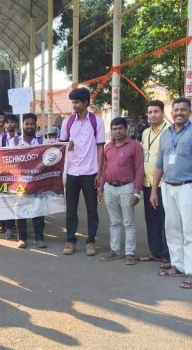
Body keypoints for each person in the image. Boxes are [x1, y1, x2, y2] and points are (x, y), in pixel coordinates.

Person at [150, 96, 192, 289]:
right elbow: (159, 164)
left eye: (183, 110)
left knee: (190, 231)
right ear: (171, 112)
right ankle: (178, 265)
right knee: (172, 228)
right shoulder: (166, 134)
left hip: (189, 188)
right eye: (176, 110)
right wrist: (154, 190)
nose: (179, 113)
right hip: (168, 188)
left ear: (189, 112)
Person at [59, 86, 106, 256]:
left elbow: (101, 148)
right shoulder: (67, 122)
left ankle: (91, 241)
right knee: (71, 209)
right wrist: (67, 146)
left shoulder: (96, 122)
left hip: (90, 171)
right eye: (73, 102)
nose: (75, 105)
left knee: (91, 209)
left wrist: (100, 174)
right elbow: (61, 145)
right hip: (72, 172)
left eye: (77, 102)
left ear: (86, 102)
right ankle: (70, 240)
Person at [97, 117, 143, 265]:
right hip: (109, 188)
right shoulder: (108, 147)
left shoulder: (134, 146)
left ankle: (130, 253)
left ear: (126, 129)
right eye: (114, 129)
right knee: (114, 222)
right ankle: (115, 251)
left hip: (127, 188)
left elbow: (139, 169)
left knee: (128, 222)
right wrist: (101, 188)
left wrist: (137, 192)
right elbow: (104, 168)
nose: (117, 131)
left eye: (120, 128)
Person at [138, 100, 170, 263]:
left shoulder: (169, 132)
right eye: (150, 112)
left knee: (165, 219)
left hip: (163, 184)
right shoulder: (145, 132)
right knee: (151, 219)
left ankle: (168, 253)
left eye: (156, 112)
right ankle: (155, 251)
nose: (152, 115)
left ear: (163, 113)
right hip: (146, 183)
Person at [16, 113, 47, 249]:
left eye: (31, 124)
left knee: (38, 210)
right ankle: (22, 238)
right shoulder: (15, 142)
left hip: (37, 181)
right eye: (26, 124)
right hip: (20, 181)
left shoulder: (42, 141)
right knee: (20, 209)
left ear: (35, 125)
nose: (29, 126)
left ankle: (39, 238)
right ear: (23, 125)